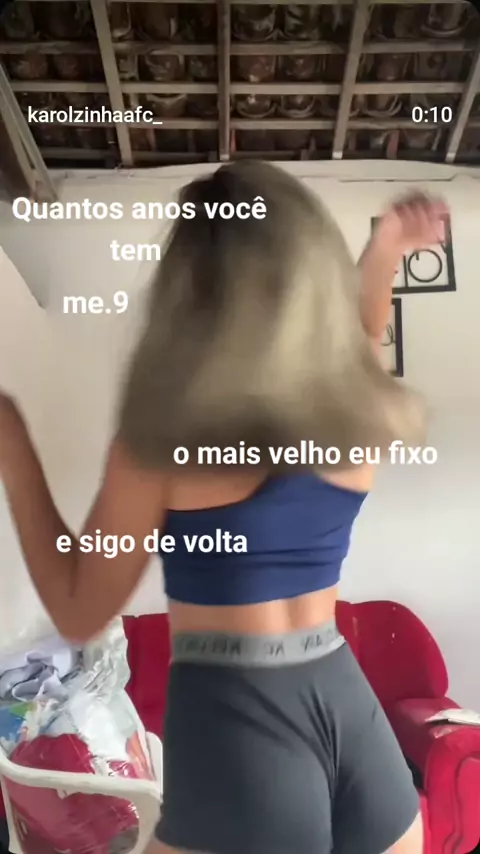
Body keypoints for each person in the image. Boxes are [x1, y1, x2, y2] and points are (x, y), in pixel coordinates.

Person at [0, 162, 447, 854]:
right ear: (311, 285)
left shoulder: (161, 447)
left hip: (239, 722)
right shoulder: (359, 415)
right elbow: (363, 333)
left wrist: (10, 435)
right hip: (354, 722)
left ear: (189, 296)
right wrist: (385, 251)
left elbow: (80, 611)